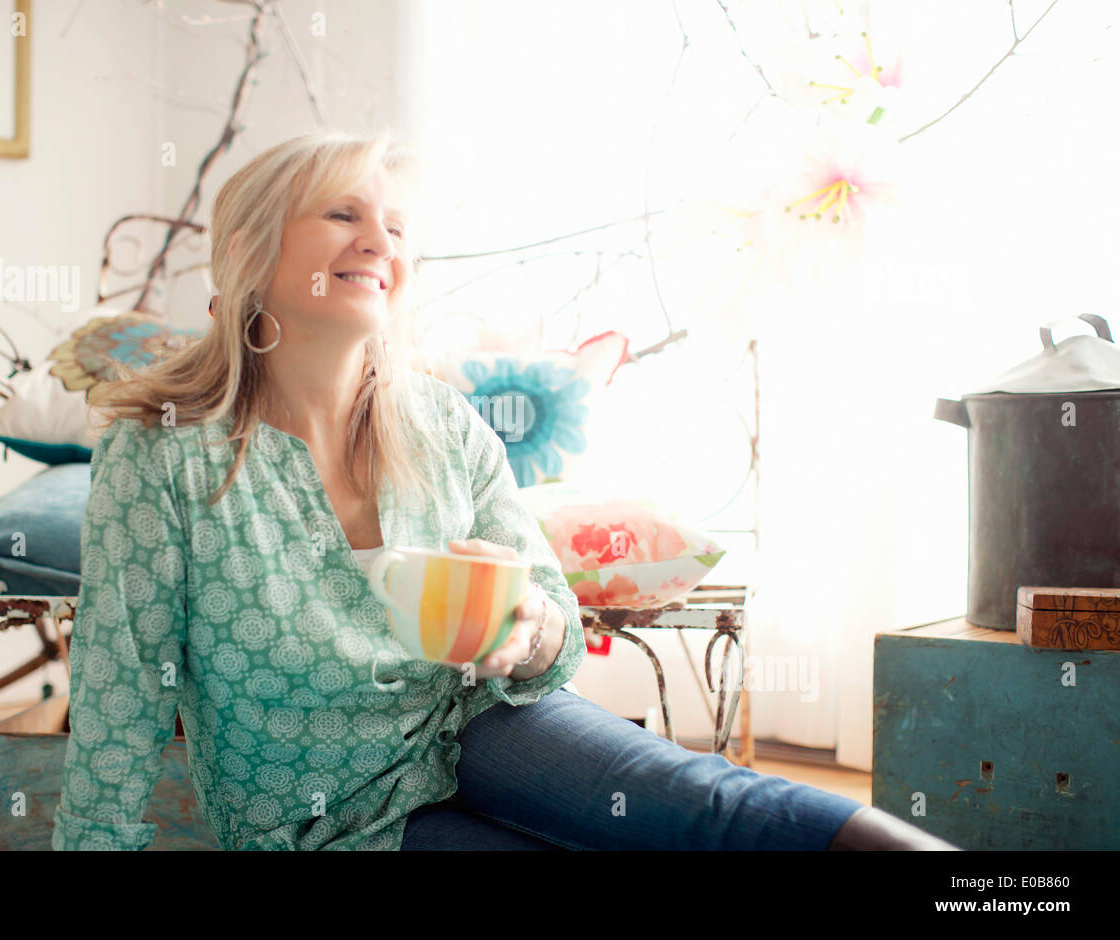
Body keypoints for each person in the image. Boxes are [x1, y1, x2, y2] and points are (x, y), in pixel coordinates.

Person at [52, 129, 959, 851]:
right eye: (341, 215)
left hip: (483, 723)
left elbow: (552, 623)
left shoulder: (444, 427)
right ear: (250, 248)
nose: (379, 242)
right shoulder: (162, 456)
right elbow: (118, 694)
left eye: (397, 228)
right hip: (331, 818)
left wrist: (526, 630)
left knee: (710, 804)